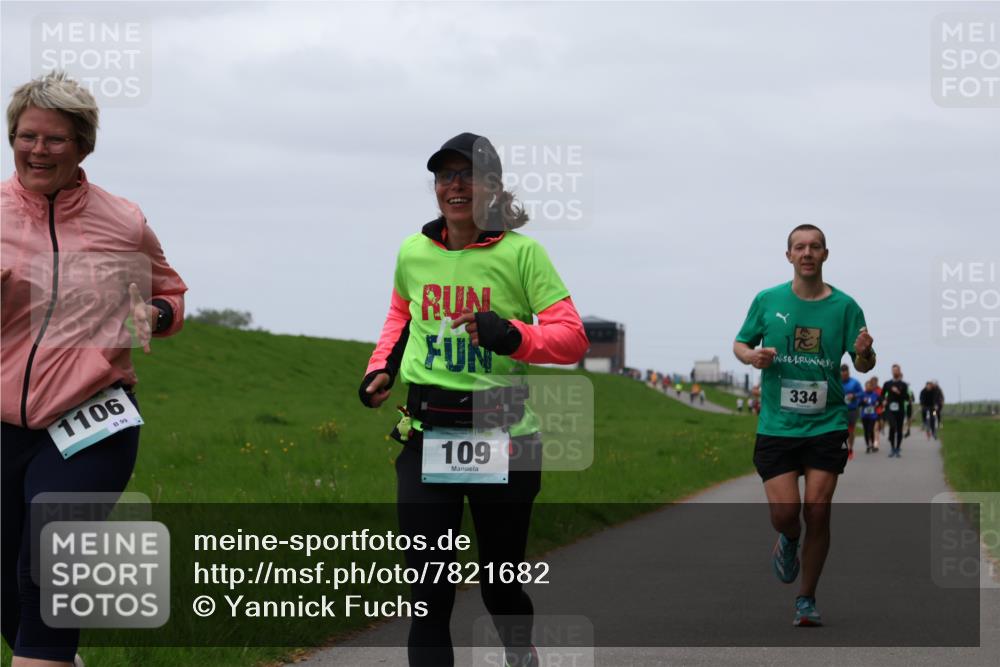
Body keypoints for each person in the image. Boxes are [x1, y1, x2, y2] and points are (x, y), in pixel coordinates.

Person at [358, 132, 588, 667]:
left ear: (494, 187)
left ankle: (519, 651)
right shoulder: (413, 252)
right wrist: (379, 368)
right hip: (427, 433)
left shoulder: (523, 253)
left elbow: (572, 338)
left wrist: (511, 334)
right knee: (429, 593)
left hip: (503, 435)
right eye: (446, 176)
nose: (455, 185)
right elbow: (401, 315)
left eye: (469, 175)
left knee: (499, 586)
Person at [1, 71, 186, 667]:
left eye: (54, 139)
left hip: (90, 418)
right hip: (3, 422)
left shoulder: (122, 220)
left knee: (47, 562)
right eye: (27, 136)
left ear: (82, 145)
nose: (38, 150)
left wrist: (153, 315)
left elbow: (169, 291)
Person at [733, 224, 875, 627]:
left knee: (817, 509)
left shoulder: (846, 307)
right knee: (785, 514)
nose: (807, 253)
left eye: (814, 247)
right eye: (800, 247)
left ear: (825, 254)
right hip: (777, 425)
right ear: (789, 256)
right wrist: (751, 357)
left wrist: (865, 353)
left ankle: (806, 599)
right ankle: (789, 538)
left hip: (826, 424)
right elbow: (740, 343)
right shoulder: (767, 300)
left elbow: (864, 363)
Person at [880, 365, 909, 458]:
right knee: (892, 427)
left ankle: (897, 448)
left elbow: (907, 398)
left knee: (899, 429)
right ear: (891, 372)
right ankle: (892, 448)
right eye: (893, 370)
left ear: (899, 372)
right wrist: (883, 401)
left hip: (900, 409)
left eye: (896, 370)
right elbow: (881, 395)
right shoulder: (887, 384)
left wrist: (898, 392)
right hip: (890, 409)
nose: (895, 372)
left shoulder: (903, 385)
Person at [840, 364, 864, 461]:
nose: (844, 376)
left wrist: (854, 396)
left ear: (848, 373)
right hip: (840, 410)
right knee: (841, 430)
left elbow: (862, 393)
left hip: (852, 410)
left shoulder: (855, 382)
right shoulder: (837, 382)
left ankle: (850, 449)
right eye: (842, 375)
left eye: (846, 374)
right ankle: (843, 448)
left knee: (850, 431)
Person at [860, 379, 880, 453]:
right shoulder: (862, 394)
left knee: (870, 430)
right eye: (867, 386)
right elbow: (858, 404)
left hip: (872, 416)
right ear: (865, 387)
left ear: (872, 387)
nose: (868, 387)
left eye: (870, 386)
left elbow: (880, 401)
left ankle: (872, 444)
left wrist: (877, 404)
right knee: (866, 431)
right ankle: (868, 445)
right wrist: (863, 401)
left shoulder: (875, 394)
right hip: (864, 415)